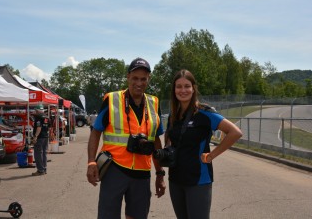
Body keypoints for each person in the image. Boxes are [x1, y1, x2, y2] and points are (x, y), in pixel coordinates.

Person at [86, 57, 166, 219]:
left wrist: (159, 173)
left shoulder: (154, 103)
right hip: (115, 169)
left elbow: (156, 141)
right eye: (135, 78)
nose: (139, 83)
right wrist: (91, 162)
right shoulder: (112, 99)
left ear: (148, 79)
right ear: (128, 77)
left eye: (143, 79)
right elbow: (96, 132)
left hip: (142, 173)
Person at [163, 69, 242, 219]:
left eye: (187, 86)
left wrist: (212, 155)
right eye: (178, 86)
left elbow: (235, 132)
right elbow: (169, 137)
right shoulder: (174, 114)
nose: (183, 90)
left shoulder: (204, 113)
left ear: (193, 88)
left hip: (198, 180)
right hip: (175, 179)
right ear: (174, 90)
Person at [32, 104, 51, 176]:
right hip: (45, 137)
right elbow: (49, 128)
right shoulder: (47, 117)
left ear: (37, 110)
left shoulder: (38, 117)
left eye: (35, 110)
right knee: (44, 153)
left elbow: (39, 128)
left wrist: (35, 137)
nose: (35, 112)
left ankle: (40, 170)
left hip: (40, 138)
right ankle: (44, 168)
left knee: (38, 154)